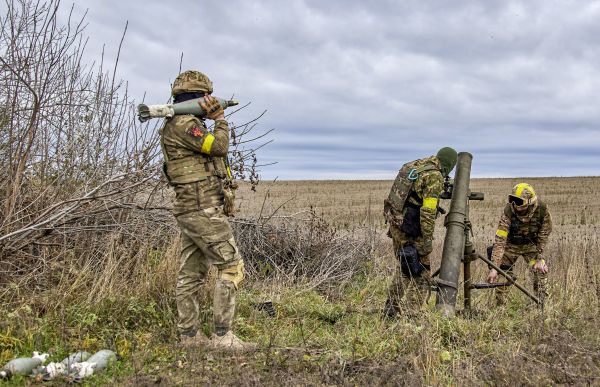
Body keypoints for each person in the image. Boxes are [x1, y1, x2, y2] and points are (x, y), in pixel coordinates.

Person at [159, 70, 254, 350]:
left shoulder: (175, 123)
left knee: (191, 273)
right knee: (232, 267)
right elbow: (219, 147)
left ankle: (189, 338)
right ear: (201, 97)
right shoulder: (186, 124)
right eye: (207, 97)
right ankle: (223, 337)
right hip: (202, 209)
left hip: (192, 207)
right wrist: (220, 120)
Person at [382, 147, 458, 318]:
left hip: (396, 224)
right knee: (421, 273)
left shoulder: (417, 165)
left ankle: (390, 311)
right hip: (410, 228)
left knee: (405, 267)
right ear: (449, 164)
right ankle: (413, 316)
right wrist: (427, 240)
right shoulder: (434, 177)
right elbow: (428, 212)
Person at [486, 183, 552, 305]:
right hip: (511, 246)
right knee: (502, 274)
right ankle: (500, 308)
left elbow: (543, 235)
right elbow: (500, 240)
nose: (515, 205)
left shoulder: (542, 210)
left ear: (529, 201)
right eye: (512, 200)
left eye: (519, 201)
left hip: (532, 247)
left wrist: (539, 259)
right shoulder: (508, 211)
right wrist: (494, 267)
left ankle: (542, 306)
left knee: (540, 272)